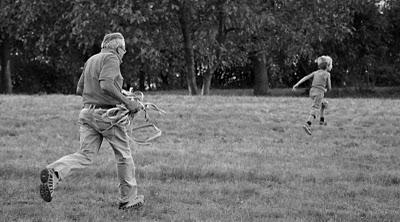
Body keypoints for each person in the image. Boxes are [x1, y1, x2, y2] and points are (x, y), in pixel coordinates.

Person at [39, 32, 145, 210]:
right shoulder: (112, 58)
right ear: (118, 48)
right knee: (124, 155)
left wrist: (117, 94)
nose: (123, 57)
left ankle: (54, 172)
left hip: (87, 113)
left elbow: (80, 88)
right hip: (107, 117)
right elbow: (106, 85)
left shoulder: (91, 60)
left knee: (85, 156)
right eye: (124, 52)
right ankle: (128, 200)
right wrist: (127, 102)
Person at [292, 55, 332, 135]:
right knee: (315, 108)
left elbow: (306, 77)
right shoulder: (327, 74)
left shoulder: (315, 72)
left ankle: (321, 120)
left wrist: (296, 84)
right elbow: (329, 88)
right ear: (327, 66)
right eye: (330, 65)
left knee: (324, 104)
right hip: (319, 93)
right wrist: (325, 89)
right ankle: (308, 124)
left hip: (312, 92)